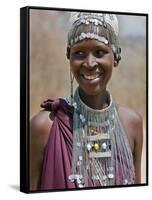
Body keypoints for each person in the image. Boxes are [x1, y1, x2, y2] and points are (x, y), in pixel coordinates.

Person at [30, 12, 143, 191]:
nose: (90, 63)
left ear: (116, 57)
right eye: (80, 53)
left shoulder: (132, 124)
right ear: (69, 57)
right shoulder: (44, 126)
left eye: (100, 52)